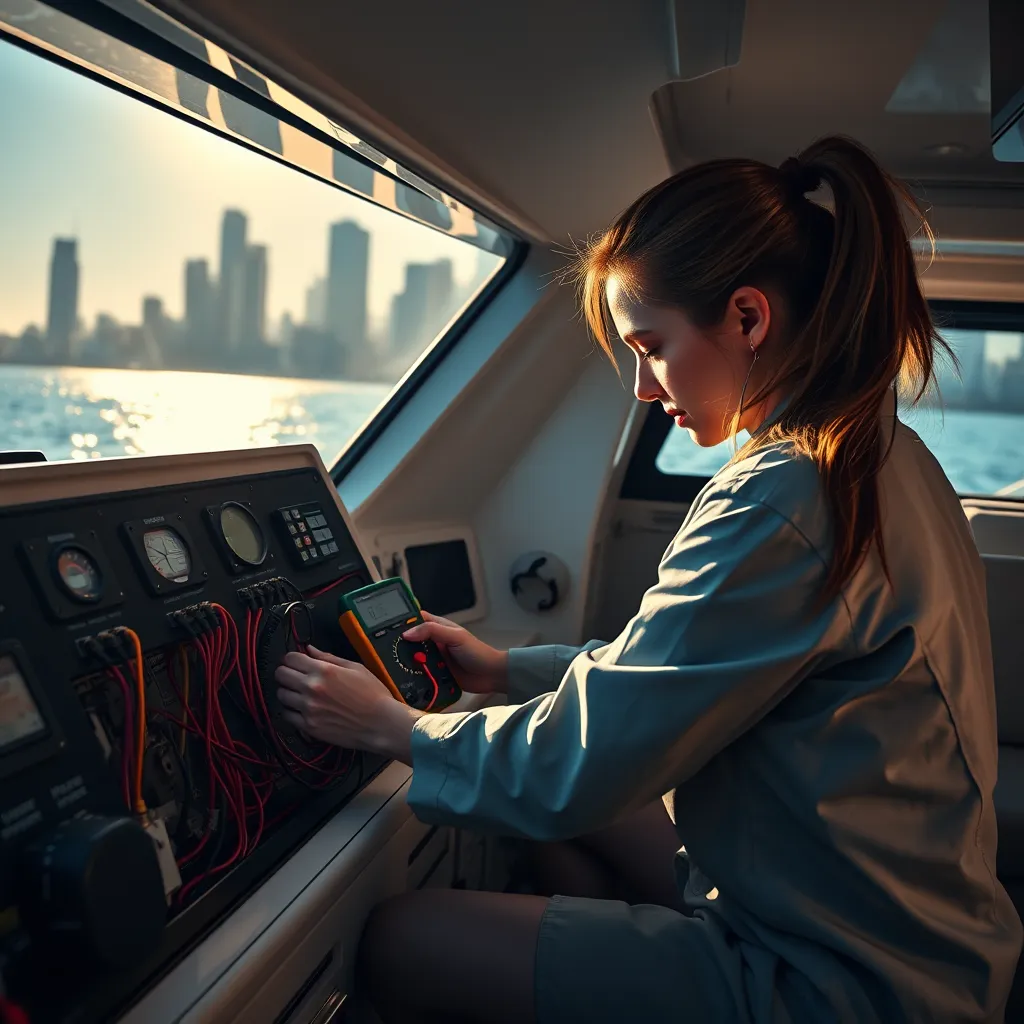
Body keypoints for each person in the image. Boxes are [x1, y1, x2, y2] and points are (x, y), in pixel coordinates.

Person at [274, 135, 1023, 1022]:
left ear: (747, 319)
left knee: (400, 940)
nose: (640, 383)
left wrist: (394, 726)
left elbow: (582, 763)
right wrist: (505, 668)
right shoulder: (884, 460)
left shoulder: (784, 497)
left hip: (837, 985)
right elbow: (680, 673)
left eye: (650, 344)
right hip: (901, 942)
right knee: (565, 844)